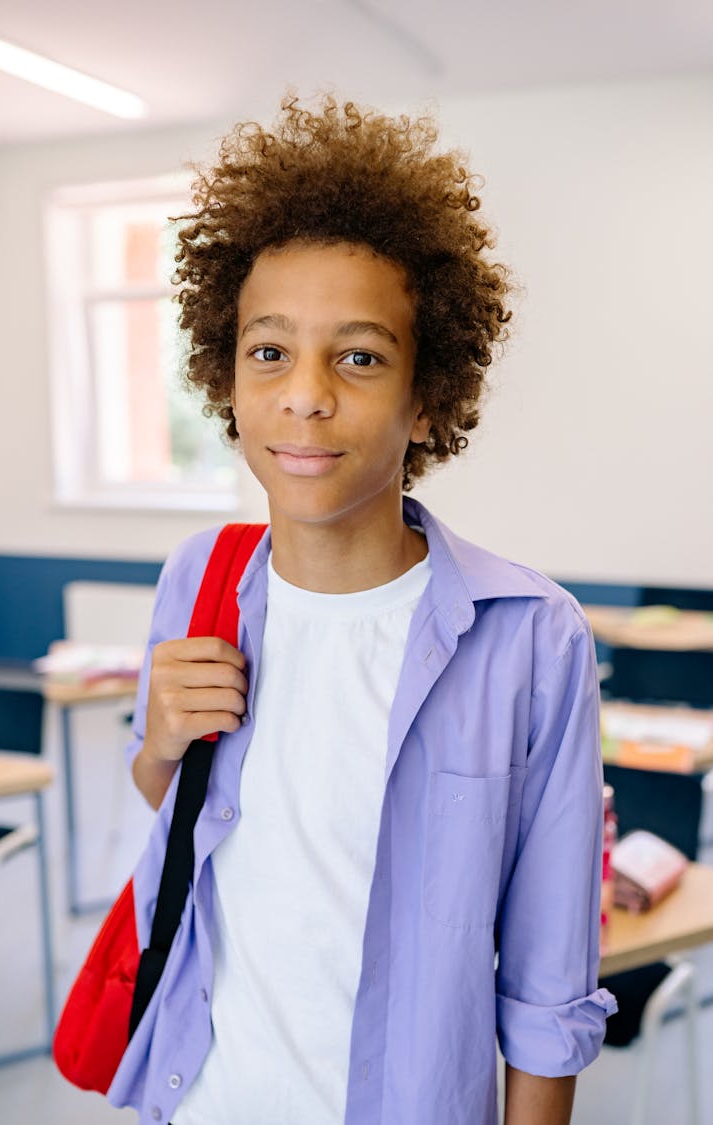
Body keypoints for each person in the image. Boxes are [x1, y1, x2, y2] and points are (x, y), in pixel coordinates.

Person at [111, 95, 616, 1125]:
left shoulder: (530, 637)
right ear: (228, 380)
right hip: (200, 1098)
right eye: (269, 353)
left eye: (360, 356)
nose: (304, 396)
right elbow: (169, 802)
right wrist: (160, 743)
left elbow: (548, 981)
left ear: (427, 397)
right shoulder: (200, 579)